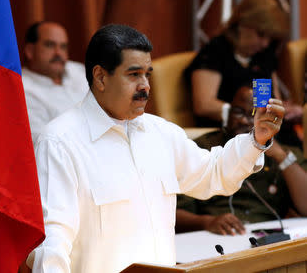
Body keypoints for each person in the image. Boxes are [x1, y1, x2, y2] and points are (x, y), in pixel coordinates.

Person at [26, 24, 284, 272]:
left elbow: (214, 173)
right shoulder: (59, 142)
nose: (145, 86)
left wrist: (256, 139)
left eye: (147, 74)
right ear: (101, 77)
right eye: (134, 74)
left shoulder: (161, 133)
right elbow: (51, 243)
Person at [176, 86, 307, 235]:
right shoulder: (201, 148)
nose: (244, 120)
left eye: (254, 114)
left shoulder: (284, 153)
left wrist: (281, 157)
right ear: (228, 113)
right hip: (213, 236)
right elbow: (171, 213)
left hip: (266, 237)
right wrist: (207, 222)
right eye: (238, 112)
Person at [184, 0, 300, 128]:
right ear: (242, 25)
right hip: (231, 132)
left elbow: (271, 99)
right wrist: (247, 113)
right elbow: (204, 105)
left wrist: (283, 109)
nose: (265, 43)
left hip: (266, 129)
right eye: (261, 34)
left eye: (270, 37)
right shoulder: (214, 52)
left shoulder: (264, 55)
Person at [22, 21, 88, 142]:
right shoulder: (23, 90)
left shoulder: (79, 71)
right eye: (50, 45)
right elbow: (44, 143)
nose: (58, 53)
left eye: (63, 47)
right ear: (30, 51)